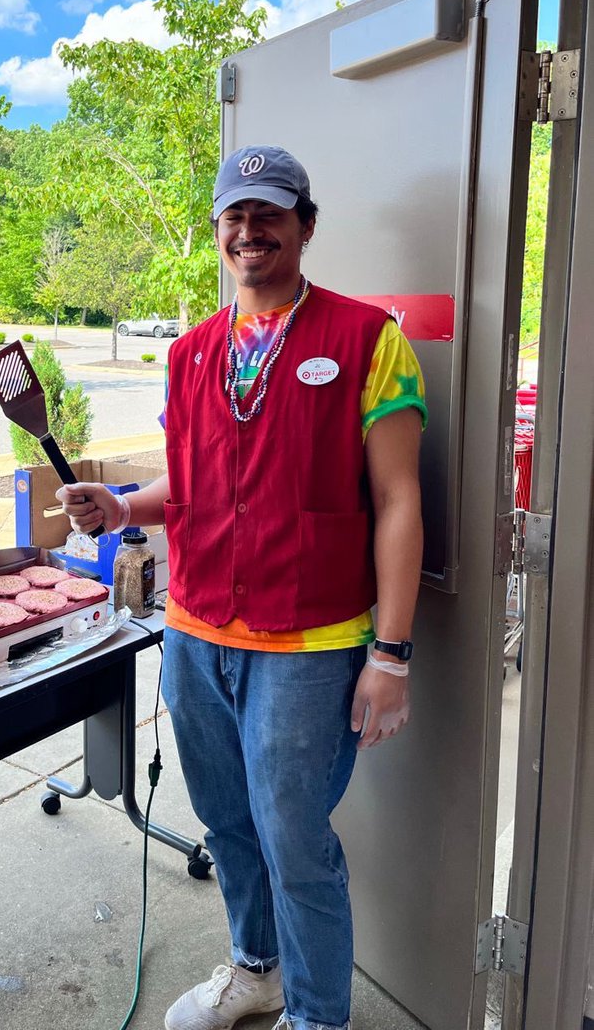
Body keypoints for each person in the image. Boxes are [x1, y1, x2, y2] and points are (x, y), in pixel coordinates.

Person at [57, 145, 426, 1030]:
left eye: (269, 213)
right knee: (225, 822)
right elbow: (190, 485)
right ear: (218, 231)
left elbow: (400, 500)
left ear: (304, 225)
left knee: (296, 840)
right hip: (194, 632)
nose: (249, 231)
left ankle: (318, 1016)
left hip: (309, 644)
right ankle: (255, 970)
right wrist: (118, 503)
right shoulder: (191, 354)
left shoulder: (368, 341)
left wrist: (393, 653)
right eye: (235, 216)